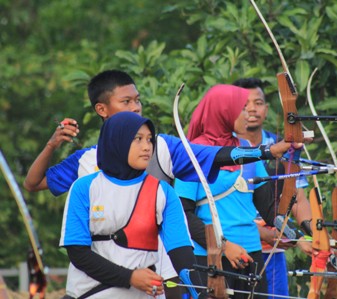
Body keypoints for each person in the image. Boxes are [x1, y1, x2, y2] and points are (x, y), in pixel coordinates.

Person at [23, 70, 303, 298]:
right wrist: (52, 144)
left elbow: (211, 156)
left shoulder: (162, 151)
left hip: (159, 277)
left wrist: (266, 151)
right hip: (94, 285)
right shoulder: (85, 165)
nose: (135, 107)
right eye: (126, 101)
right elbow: (34, 184)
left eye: (138, 100)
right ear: (102, 109)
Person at [60, 111, 204, 298]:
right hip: (89, 293)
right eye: (138, 139)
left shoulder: (163, 192)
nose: (147, 147)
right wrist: (130, 277)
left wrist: (200, 294)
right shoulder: (84, 188)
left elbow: (181, 253)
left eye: (150, 140)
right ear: (116, 141)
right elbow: (78, 253)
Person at [174, 84, 287, 298]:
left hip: (251, 255)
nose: (248, 114)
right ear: (223, 112)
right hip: (210, 257)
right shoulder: (193, 153)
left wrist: (289, 230)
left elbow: (269, 211)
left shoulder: (247, 150)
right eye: (241, 108)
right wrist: (224, 246)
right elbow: (183, 215)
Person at [233, 77, 313, 298]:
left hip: (274, 250)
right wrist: (263, 233)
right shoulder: (224, 150)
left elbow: (297, 197)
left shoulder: (284, 145)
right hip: (235, 250)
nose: (251, 109)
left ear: (266, 109)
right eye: (243, 103)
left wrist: (310, 234)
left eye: (258, 103)